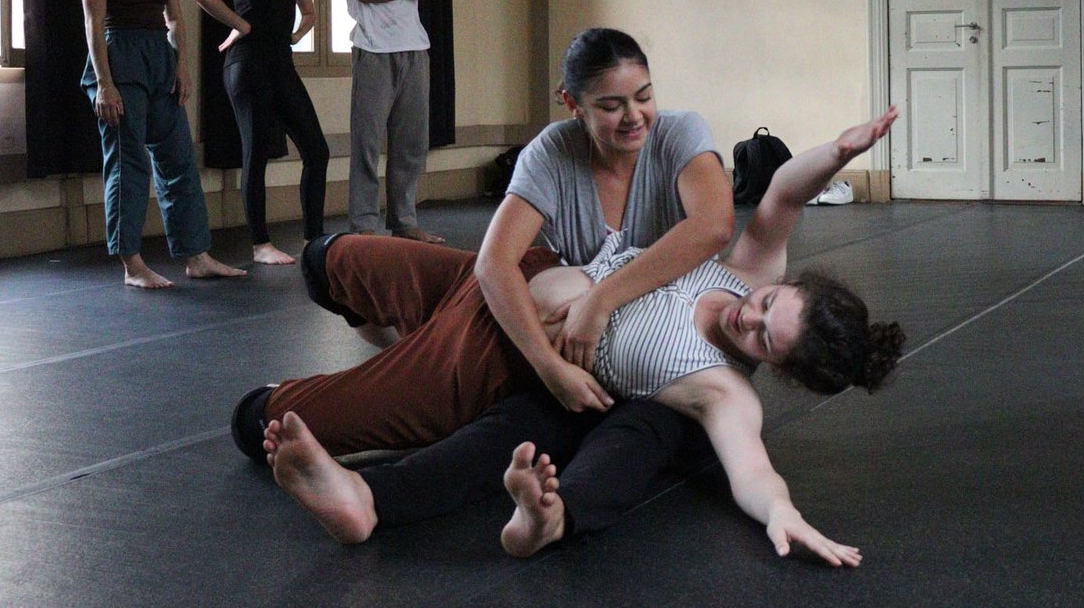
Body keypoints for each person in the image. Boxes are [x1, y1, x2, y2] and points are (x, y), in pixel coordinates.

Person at [261, 108, 905, 564]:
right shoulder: (749, 270)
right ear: (780, 284)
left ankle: (368, 483)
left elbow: (753, 471)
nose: (749, 318)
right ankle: (399, 336)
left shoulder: (724, 394)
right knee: (325, 259)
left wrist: (782, 511)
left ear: (777, 368)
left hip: (513, 364)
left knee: (261, 418)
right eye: (767, 305)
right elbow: (783, 197)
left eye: (764, 340)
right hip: (508, 284)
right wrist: (840, 153)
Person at [229, 27, 735, 458]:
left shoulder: (678, 134)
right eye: (611, 105)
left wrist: (601, 301)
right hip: (529, 295)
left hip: (549, 323)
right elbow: (494, 266)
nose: (634, 116)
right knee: (324, 259)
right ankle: (411, 347)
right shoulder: (553, 150)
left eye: (643, 96)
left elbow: (712, 226)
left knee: (255, 420)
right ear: (571, 103)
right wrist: (549, 366)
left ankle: (377, 375)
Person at [79, 0, 246, 289]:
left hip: (159, 58)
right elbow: (94, 25)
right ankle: (132, 264)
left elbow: (175, 16)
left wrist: (182, 64)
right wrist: (105, 84)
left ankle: (196, 254)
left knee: (178, 161)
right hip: (120, 59)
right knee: (129, 163)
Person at [193, 0, 330, 264]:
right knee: (255, 154)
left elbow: (310, 12)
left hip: (281, 65)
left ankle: (313, 238)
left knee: (317, 149)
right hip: (246, 64)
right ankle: (261, 245)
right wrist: (241, 25)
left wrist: (297, 36)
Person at [343, 0, 443, 243]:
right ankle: (364, 224)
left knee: (412, 144)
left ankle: (404, 221)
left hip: (415, 49)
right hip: (373, 49)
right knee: (367, 143)